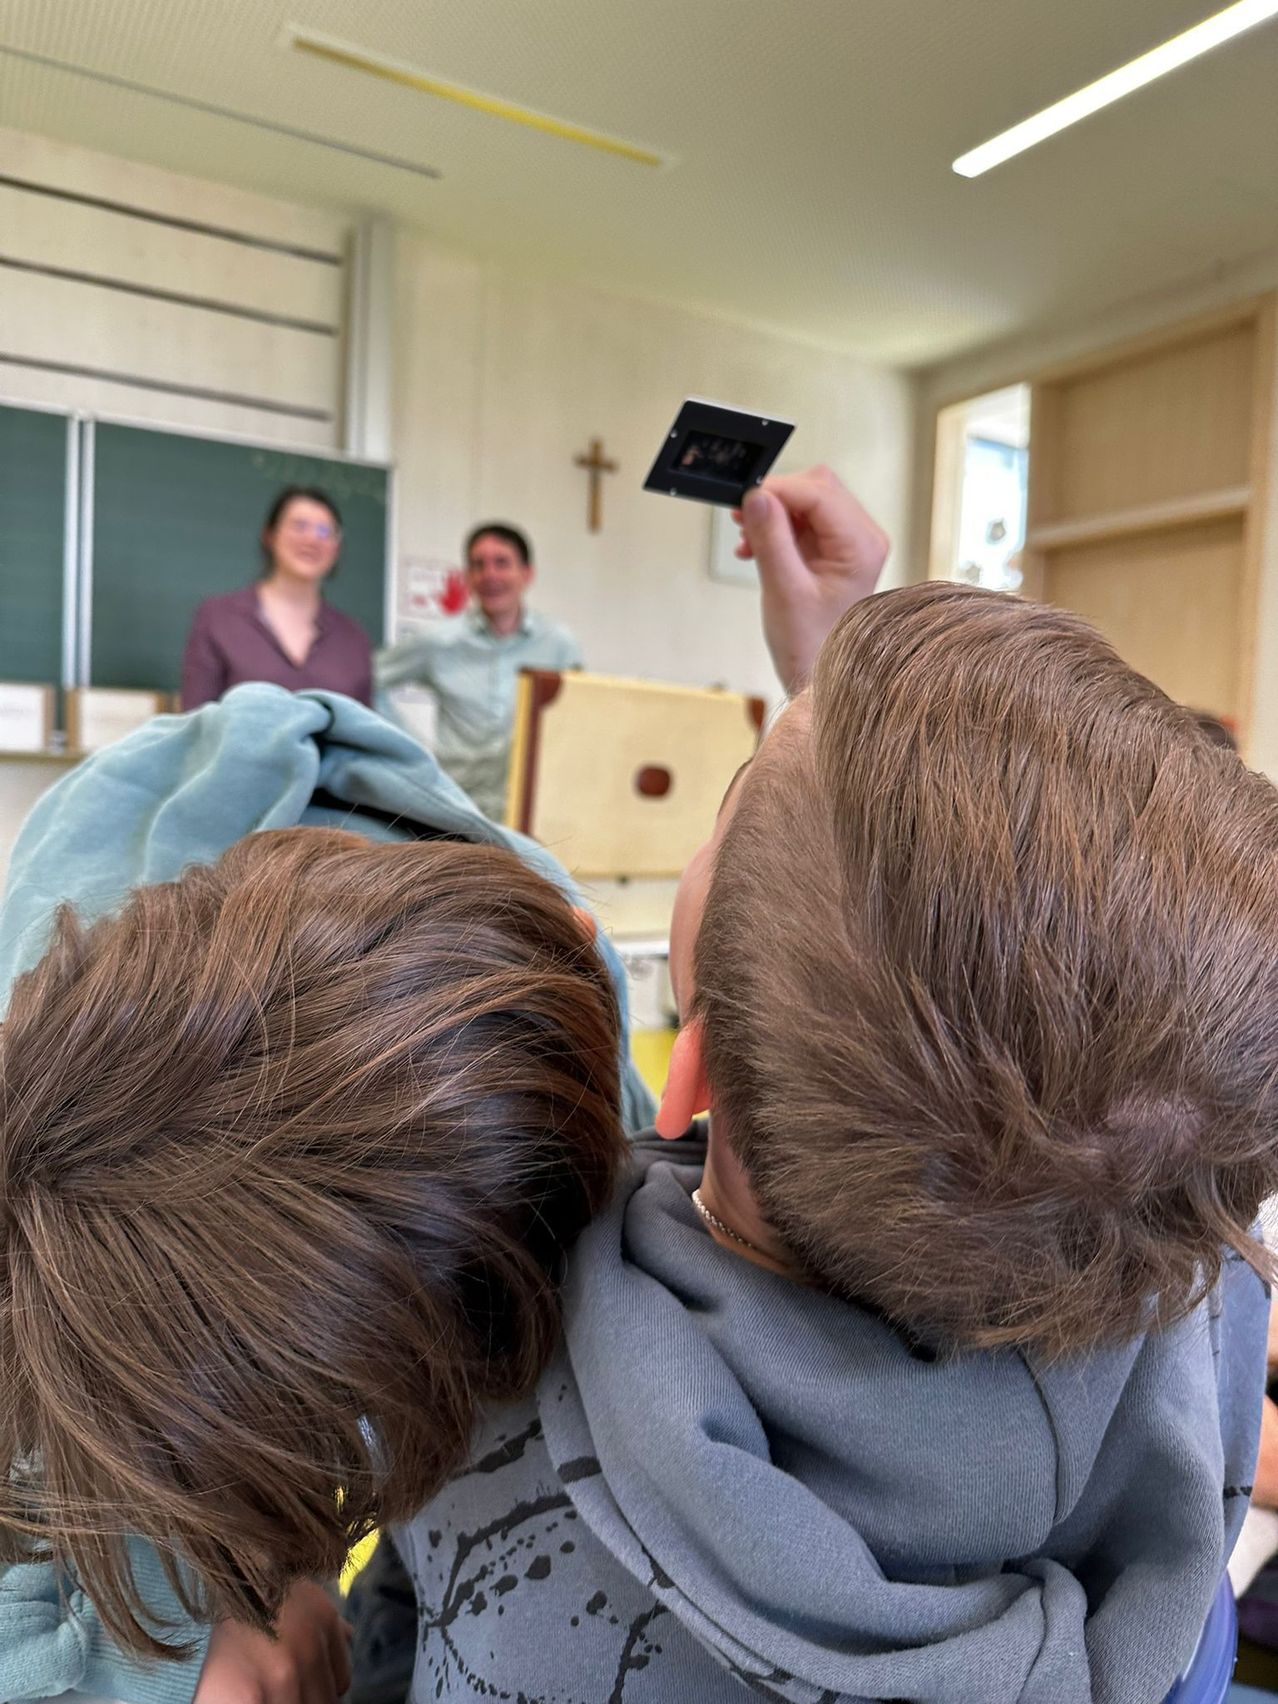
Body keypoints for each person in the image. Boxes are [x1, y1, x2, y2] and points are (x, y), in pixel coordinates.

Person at [2, 470, 1277, 1704]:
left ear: (690, 1073)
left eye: (725, 813)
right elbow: (1054, 1025)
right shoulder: (1176, 1262)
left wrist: (172, 1622)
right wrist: (844, 718)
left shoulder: (516, 1329)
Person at [375, 523, 581, 819]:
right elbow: (365, 678)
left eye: (502, 563)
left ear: (526, 574)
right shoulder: (439, 642)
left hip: (532, 812)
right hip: (457, 808)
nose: (490, 575)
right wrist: (410, 747)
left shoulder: (559, 645)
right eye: (478, 565)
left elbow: (577, 718)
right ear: (468, 577)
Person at [180, 488, 372, 710]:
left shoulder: (353, 639)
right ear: (270, 536)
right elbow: (195, 723)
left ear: (336, 548)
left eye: (324, 531)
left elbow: (364, 733)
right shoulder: (217, 619)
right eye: (299, 526)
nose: (311, 539)